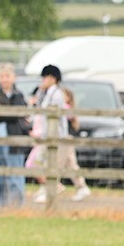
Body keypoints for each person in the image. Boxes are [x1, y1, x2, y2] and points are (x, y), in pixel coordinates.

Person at [27, 65, 89, 203]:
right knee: (67, 164)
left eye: (45, 77)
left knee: (54, 164)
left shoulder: (56, 94)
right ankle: (79, 187)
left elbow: (55, 115)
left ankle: (52, 190)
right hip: (48, 134)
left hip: (57, 135)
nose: (43, 80)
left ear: (52, 78)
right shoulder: (47, 92)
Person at [0, 63, 29, 207]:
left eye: (7, 76)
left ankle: (16, 204)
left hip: (13, 135)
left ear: (14, 77)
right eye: (2, 76)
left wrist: (1, 112)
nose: (4, 79)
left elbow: (19, 114)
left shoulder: (18, 95)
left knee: (15, 170)